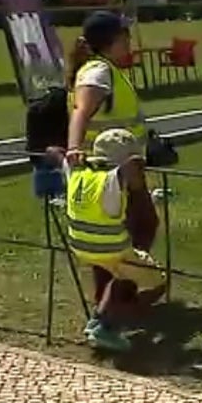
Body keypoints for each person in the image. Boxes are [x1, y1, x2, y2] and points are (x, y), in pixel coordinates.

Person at [63, 11, 159, 323]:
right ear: (112, 41)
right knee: (138, 231)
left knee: (118, 239)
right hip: (111, 174)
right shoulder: (98, 72)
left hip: (120, 169)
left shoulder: (108, 70)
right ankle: (110, 309)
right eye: (125, 37)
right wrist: (74, 148)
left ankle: (112, 302)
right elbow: (82, 110)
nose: (129, 42)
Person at [61, 128, 166, 352]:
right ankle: (108, 326)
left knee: (121, 273)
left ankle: (100, 318)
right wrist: (137, 165)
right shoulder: (112, 182)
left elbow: (59, 158)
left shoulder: (79, 174)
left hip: (80, 247)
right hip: (111, 249)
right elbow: (128, 172)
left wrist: (68, 155)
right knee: (156, 281)